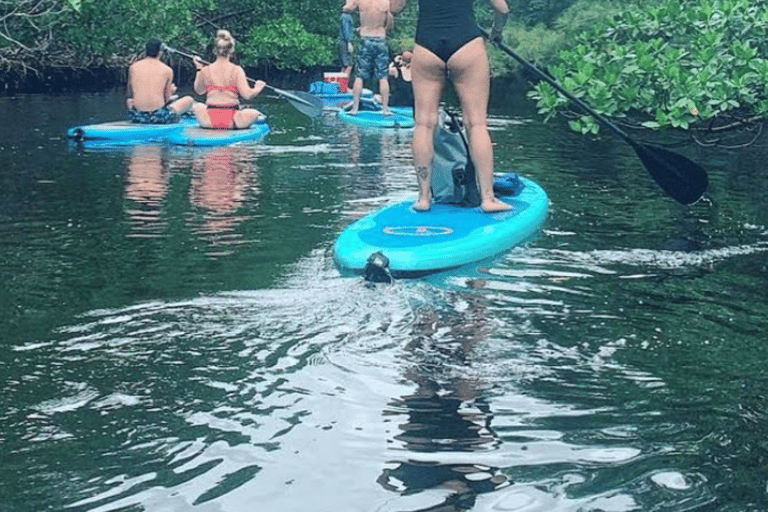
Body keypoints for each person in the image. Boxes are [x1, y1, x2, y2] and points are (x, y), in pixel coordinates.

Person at [389, 0, 512, 213]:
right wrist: (496, 31)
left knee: (424, 124)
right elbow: (502, 8)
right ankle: (488, 198)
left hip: (427, 46)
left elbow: (394, 8)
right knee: (477, 124)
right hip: (466, 43)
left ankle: (424, 198)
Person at [191, 30, 266, 130]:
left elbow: (199, 91)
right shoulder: (237, 70)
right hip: (232, 121)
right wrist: (258, 88)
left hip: (208, 121)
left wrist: (199, 68)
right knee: (254, 113)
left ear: (214, 50)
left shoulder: (205, 70)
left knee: (197, 106)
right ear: (231, 50)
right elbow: (247, 95)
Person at [126, 39, 194, 124]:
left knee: (129, 101)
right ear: (160, 52)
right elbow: (166, 100)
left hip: (138, 116)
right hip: (159, 117)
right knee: (189, 99)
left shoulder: (133, 67)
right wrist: (171, 91)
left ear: (146, 51)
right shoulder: (167, 70)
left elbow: (130, 95)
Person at [343, 0, 392, 115]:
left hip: (366, 38)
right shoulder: (385, 1)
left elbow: (347, 8)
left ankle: (355, 108)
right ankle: (385, 109)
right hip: (380, 38)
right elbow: (390, 20)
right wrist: (384, 30)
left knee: (359, 75)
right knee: (383, 76)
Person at [338, 10, 356, 78]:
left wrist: (355, 30)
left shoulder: (346, 16)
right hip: (345, 42)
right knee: (349, 65)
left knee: (344, 65)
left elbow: (348, 29)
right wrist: (349, 42)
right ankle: (344, 86)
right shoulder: (346, 16)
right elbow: (345, 30)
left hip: (344, 41)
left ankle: (341, 85)